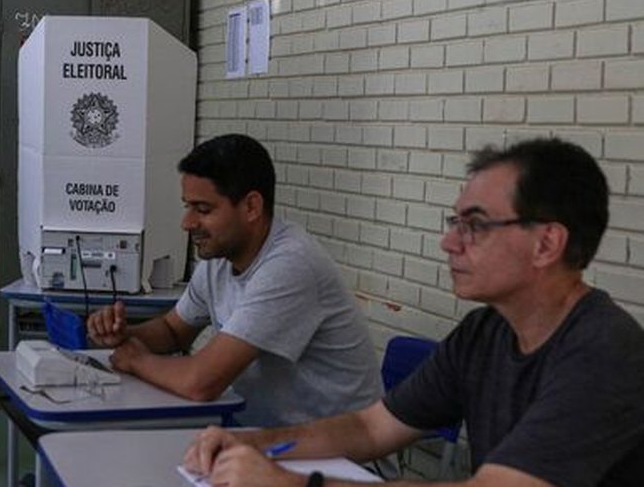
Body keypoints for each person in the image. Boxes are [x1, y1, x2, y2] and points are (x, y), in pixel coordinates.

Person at [183, 138, 644, 487]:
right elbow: (370, 427)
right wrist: (251, 443)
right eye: (454, 222)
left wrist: (293, 484)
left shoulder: (604, 352)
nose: (449, 242)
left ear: (546, 243)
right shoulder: (485, 331)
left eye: (475, 225)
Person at [87, 133, 383, 427]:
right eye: (187, 206)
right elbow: (173, 331)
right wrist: (125, 335)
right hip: (262, 438)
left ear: (251, 207)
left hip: (344, 460)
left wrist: (138, 360)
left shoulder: (290, 265)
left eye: (203, 209)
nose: (187, 223)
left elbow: (200, 383)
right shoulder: (220, 257)